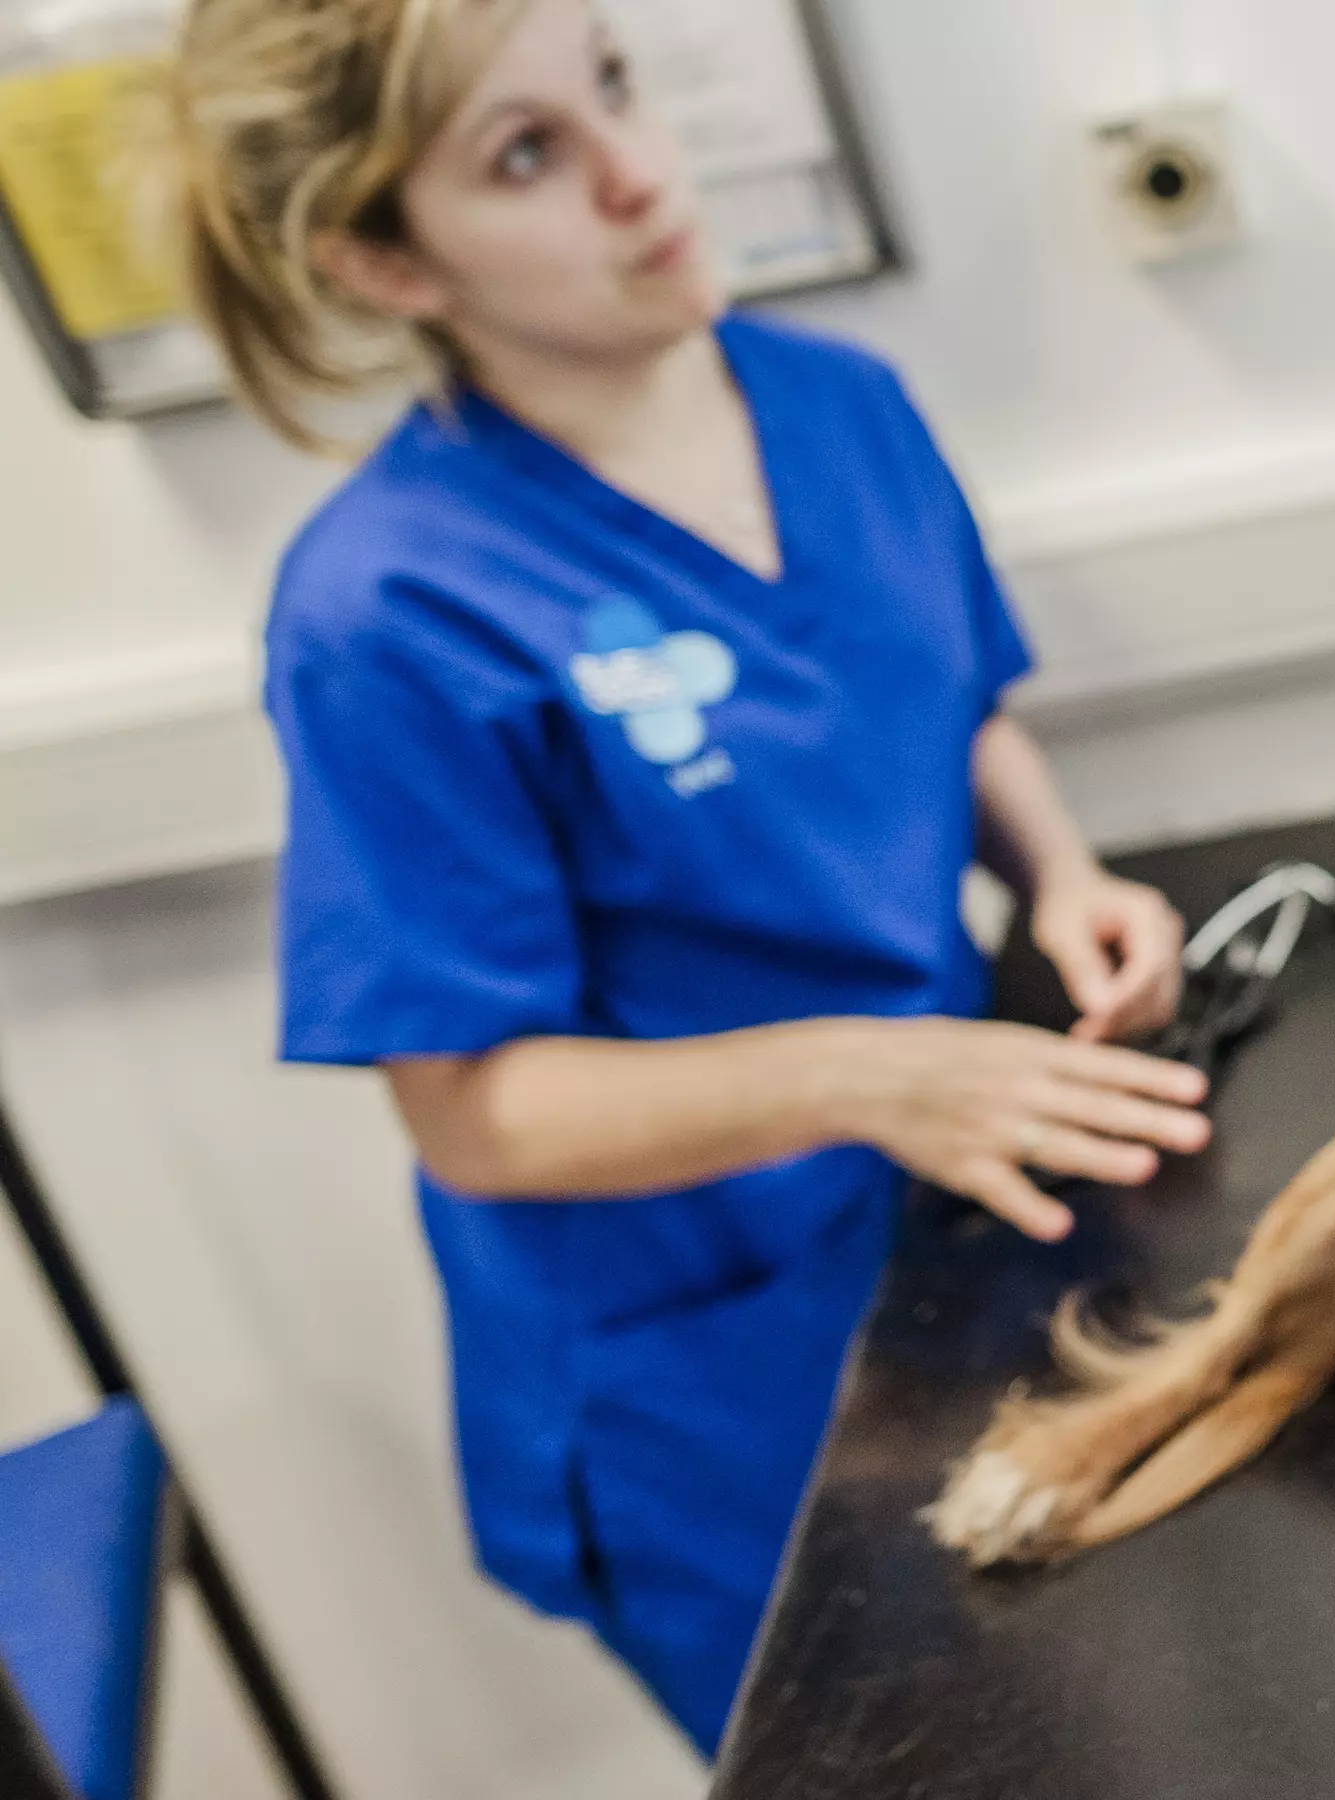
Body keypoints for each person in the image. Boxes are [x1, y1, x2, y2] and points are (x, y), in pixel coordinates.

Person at [171, 0, 1214, 1755]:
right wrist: (869, 1073)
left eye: (614, 84)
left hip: (953, 1243)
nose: (641, 176)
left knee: (1079, 1726)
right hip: (710, 1383)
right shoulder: (387, 611)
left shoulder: (840, 405)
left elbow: (942, 699)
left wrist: (1056, 871)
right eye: (526, 155)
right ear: (384, 259)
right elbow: (477, 1118)